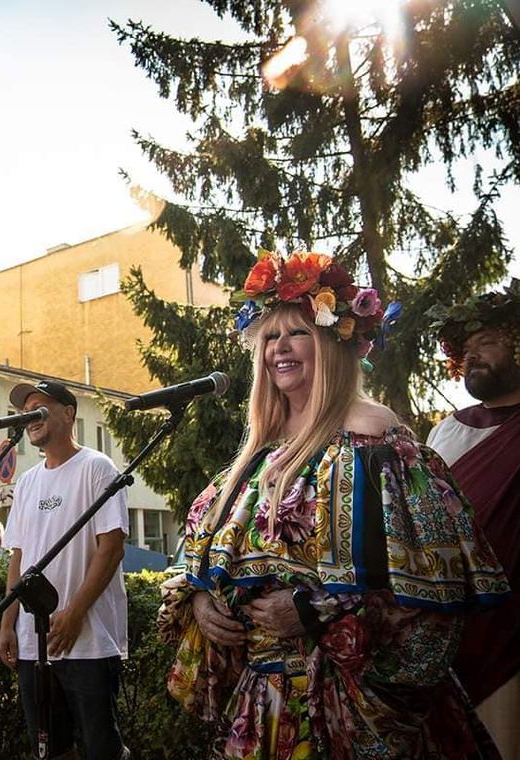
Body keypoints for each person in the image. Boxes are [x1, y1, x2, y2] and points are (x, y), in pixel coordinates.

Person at [159, 252, 510, 758]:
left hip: (354, 708)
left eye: (296, 332)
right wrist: (199, 601)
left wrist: (312, 611)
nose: (279, 348)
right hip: (263, 705)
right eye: (269, 337)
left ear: (333, 339)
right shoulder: (260, 450)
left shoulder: (375, 433)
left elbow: (435, 580)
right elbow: (196, 551)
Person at [0, 381, 130, 760]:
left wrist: (73, 614)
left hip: (87, 639)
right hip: (32, 640)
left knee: (101, 748)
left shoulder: (97, 468)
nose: (31, 416)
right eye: (26, 411)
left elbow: (112, 548)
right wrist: (8, 624)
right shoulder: (27, 482)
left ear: (68, 413)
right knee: (50, 749)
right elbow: (18, 559)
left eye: (40, 407)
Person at [426, 279, 520, 757]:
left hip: (511, 631)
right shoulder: (444, 430)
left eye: (488, 342)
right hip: (447, 628)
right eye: (468, 348)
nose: (474, 355)